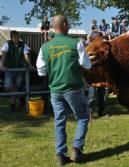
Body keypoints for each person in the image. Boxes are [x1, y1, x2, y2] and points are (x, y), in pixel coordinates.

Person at [36, 15, 91, 166]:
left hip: (55, 89)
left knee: (59, 121)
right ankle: (77, 149)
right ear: (65, 24)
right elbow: (87, 65)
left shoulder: (45, 47)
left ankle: (61, 155)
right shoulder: (76, 43)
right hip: (73, 87)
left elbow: (41, 71)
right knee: (83, 117)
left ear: (54, 27)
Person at [1, 30, 34, 112]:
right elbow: (4, 55)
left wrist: (29, 64)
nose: (17, 39)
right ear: (11, 38)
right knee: (8, 87)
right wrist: (1, 65)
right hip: (9, 69)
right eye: (15, 37)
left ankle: (13, 107)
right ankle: (21, 98)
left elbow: (26, 55)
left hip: (19, 70)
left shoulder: (23, 44)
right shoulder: (7, 44)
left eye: (18, 37)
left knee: (16, 87)